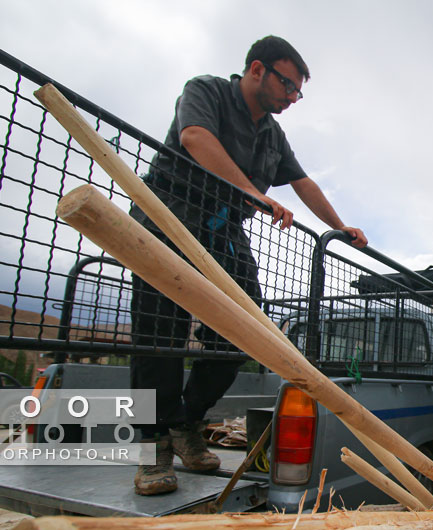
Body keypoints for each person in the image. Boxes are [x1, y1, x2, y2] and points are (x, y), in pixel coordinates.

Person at [129, 35, 366, 496]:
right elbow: (194, 138)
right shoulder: (207, 91)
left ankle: (185, 423)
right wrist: (254, 193)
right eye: (288, 85)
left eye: (299, 91)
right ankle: (151, 452)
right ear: (257, 69)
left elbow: (302, 182)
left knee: (245, 330)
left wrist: (342, 227)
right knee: (158, 338)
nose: (293, 97)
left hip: (220, 232)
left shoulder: (273, 135)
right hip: (168, 216)